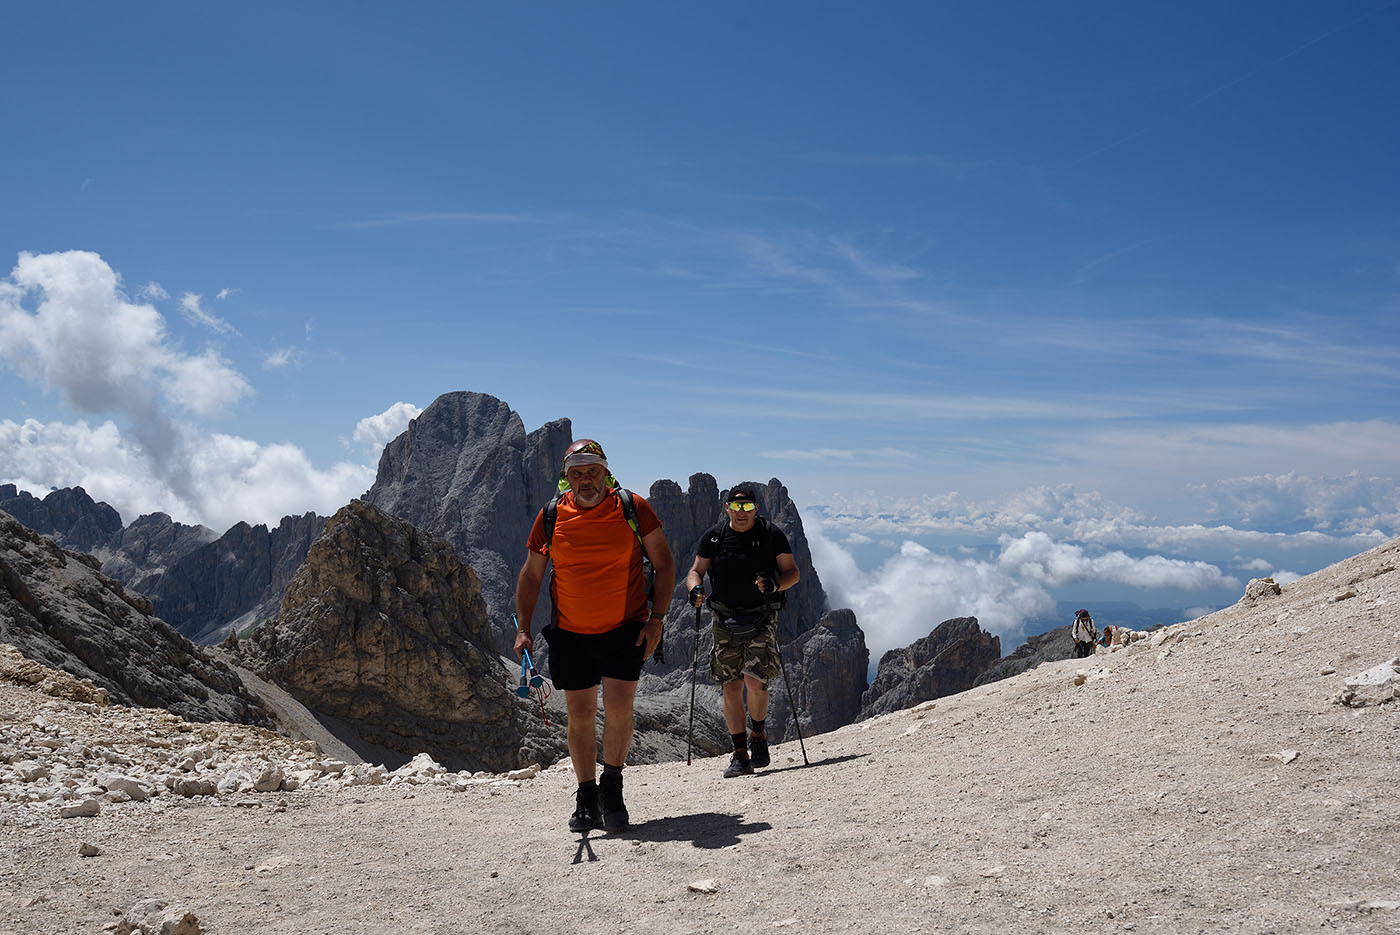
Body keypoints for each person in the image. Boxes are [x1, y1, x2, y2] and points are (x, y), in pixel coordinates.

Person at [514, 439, 676, 833]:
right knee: (580, 714)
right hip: (571, 633)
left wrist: (657, 619)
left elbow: (665, 563)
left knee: (619, 707)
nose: (586, 479)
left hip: (626, 628)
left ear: (606, 472)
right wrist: (523, 628)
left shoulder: (633, 508)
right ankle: (586, 795)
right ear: (565, 478)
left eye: (592, 471)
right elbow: (532, 575)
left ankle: (612, 786)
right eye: (577, 473)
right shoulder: (551, 516)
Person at [684, 485, 799, 778]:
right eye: (737, 507)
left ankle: (758, 733)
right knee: (730, 686)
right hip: (723, 619)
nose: (742, 512)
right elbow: (695, 570)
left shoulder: (771, 534)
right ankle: (740, 754)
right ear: (727, 508)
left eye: (747, 507)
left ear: (755, 509)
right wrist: (695, 589)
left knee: (756, 681)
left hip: (761, 616)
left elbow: (792, 573)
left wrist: (775, 586)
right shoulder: (714, 536)